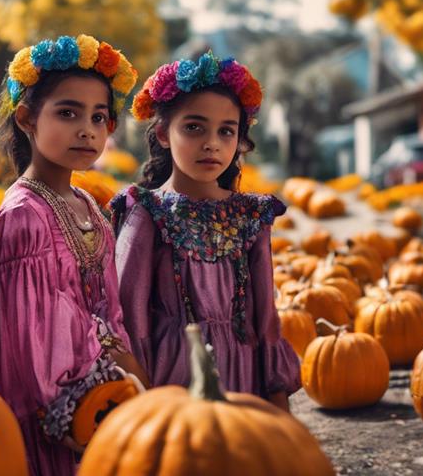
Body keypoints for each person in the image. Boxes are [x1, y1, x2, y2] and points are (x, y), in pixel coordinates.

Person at [0, 35, 148, 476]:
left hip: (104, 395)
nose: (87, 129)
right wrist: (68, 405)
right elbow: (28, 344)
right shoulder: (24, 216)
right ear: (27, 119)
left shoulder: (88, 205)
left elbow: (109, 310)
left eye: (98, 117)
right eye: (68, 113)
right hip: (54, 415)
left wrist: (123, 370)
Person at [111, 52, 299, 410]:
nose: (212, 142)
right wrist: (142, 399)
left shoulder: (252, 215)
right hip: (173, 376)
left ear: (239, 140)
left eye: (226, 131)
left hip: (244, 376)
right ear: (164, 133)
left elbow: (266, 318)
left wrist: (278, 404)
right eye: (194, 127)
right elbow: (129, 317)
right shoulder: (147, 211)